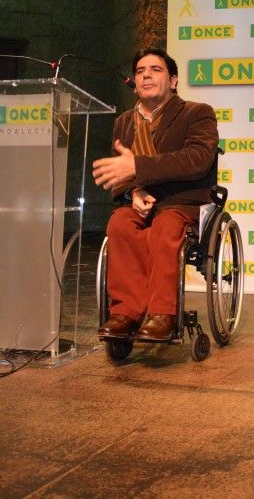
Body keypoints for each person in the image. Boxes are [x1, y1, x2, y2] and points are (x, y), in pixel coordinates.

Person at [92, 47, 219, 341]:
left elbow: (197, 159)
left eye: (156, 69)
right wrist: (133, 191)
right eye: (140, 71)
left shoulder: (197, 113)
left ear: (173, 81)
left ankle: (162, 314)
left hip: (181, 202)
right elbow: (118, 173)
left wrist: (137, 166)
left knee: (165, 225)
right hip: (141, 204)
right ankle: (125, 313)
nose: (146, 74)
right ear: (135, 83)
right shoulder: (124, 121)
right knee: (119, 224)